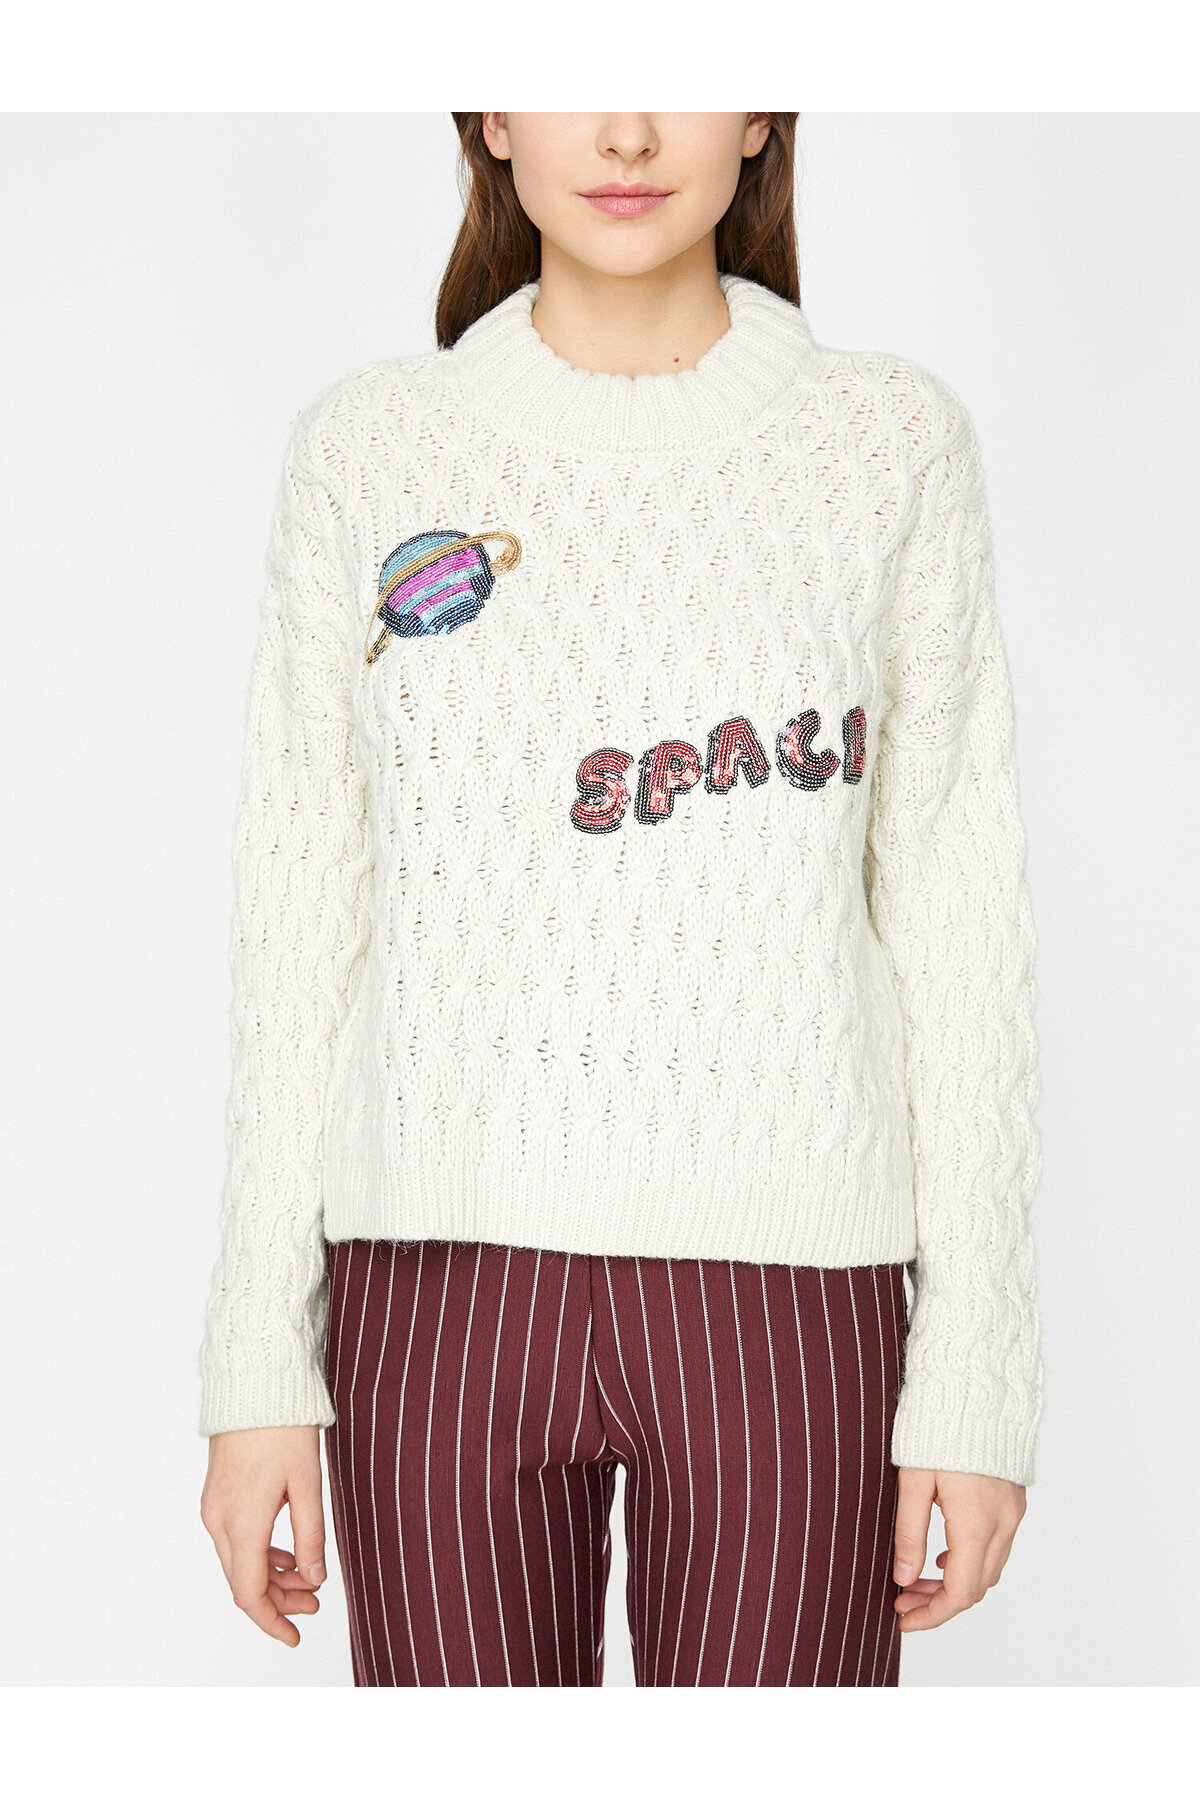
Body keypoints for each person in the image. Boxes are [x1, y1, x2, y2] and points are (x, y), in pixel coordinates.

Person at [198, 112, 1043, 1688]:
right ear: (492, 115)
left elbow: (958, 922)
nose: (631, 130)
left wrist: (978, 1373)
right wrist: (256, 1363)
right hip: (435, 1290)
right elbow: (301, 916)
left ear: (764, 109)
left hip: (794, 1296)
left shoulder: (889, 444)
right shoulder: (370, 451)